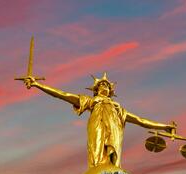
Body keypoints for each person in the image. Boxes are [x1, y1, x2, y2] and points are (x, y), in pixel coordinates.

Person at [23, 72, 176, 169]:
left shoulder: (118, 109)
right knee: (96, 152)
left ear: (111, 91)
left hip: (115, 130)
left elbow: (141, 120)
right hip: (96, 126)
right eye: (102, 84)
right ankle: (97, 171)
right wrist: (37, 84)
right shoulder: (90, 101)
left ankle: (112, 172)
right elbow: (62, 94)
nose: (104, 86)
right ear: (95, 90)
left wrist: (164, 127)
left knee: (113, 159)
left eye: (107, 86)